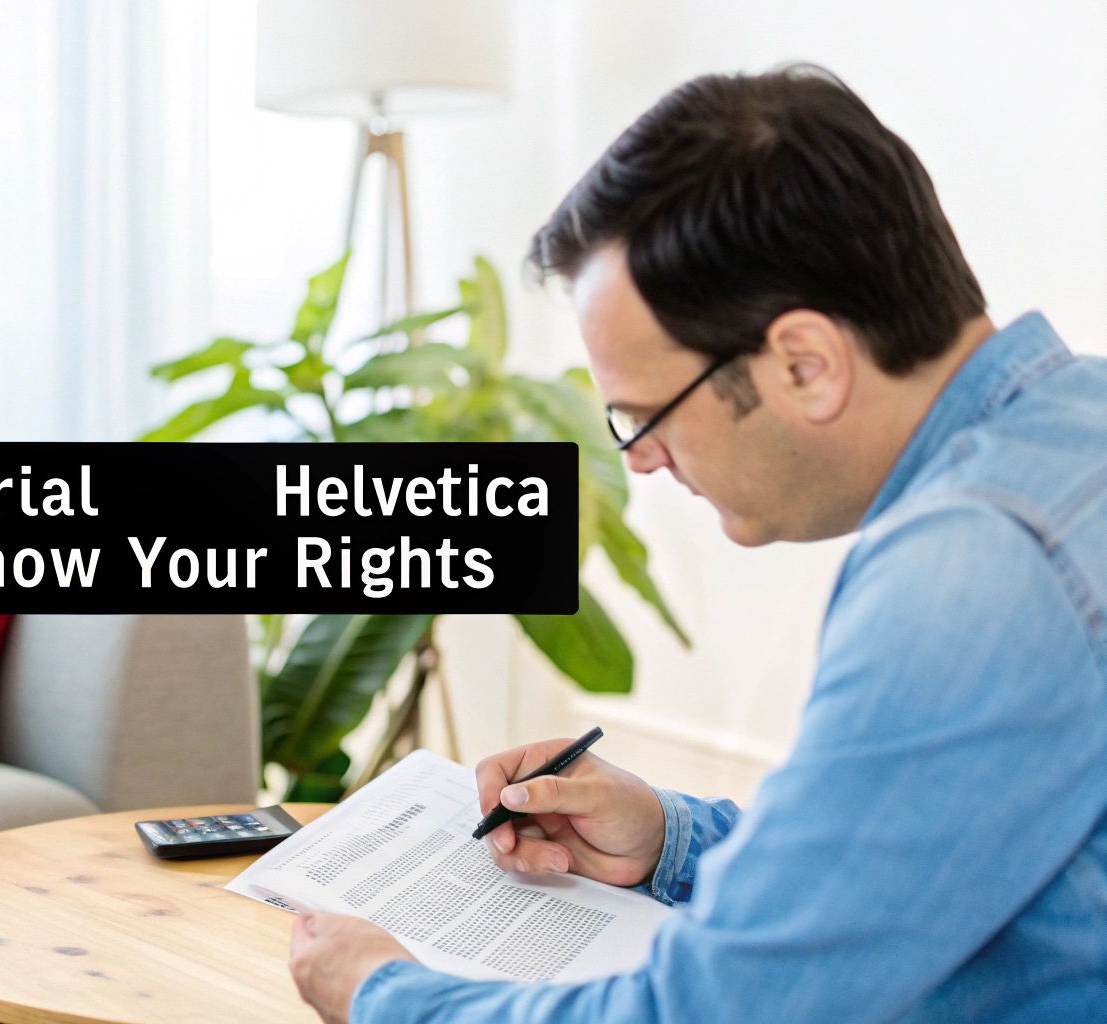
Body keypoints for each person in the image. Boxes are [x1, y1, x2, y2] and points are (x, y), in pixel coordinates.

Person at [288, 65, 1107, 1022]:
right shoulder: (1070, 429)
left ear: (806, 364)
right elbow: (909, 860)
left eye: (645, 415)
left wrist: (381, 994)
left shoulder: (969, 576)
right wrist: (672, 837)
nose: (637, 462)